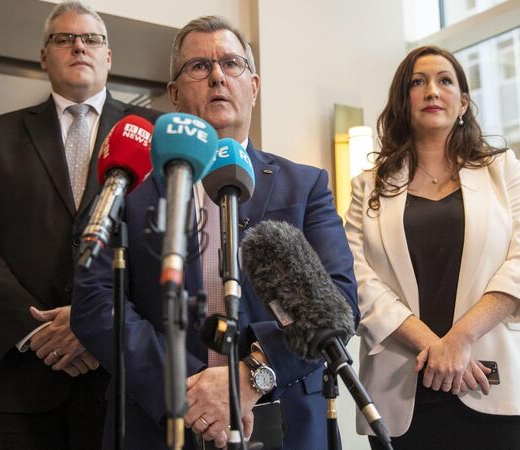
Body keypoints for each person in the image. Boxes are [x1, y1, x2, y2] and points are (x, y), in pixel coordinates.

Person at [71, 15, 358, 450]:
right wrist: (190, 393)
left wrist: (250, 376)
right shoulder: (130, 186)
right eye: (199, 66)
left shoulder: (305, 186)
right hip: (156, 424)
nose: (217, 76)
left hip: (283, 421)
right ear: (173, 93)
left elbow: (339, 301)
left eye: (231, 63)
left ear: (254, 86)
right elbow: (95, 301)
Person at [0, 2, 160, 448]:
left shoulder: (154, 133)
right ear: (44, 56)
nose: (79, 46)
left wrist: (93, 324)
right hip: (11, 383)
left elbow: (168, 248)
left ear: (108, 57)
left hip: (119, 379)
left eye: (91, 39)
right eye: (64, 38)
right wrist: (37, 331)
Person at [344, 45, 520, 450]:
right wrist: (435, 348)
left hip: (495, 385)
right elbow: (359, 280)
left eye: (445, 81)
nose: (432, 91)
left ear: (463, 103)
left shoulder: (504, 170)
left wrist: (460, 340)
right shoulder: (366, 186)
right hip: (402, 393)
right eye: (417, 82)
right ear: (403, 102)